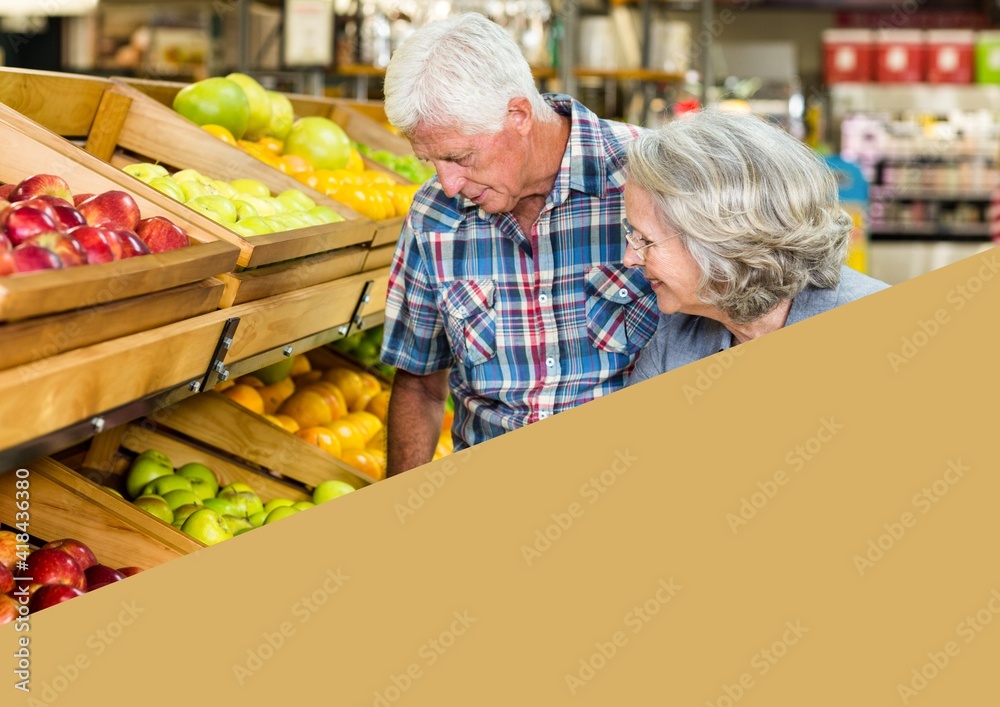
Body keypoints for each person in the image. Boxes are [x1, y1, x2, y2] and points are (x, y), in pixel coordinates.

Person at [379, 12, 659, 475]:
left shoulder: (649, 176)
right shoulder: (433, 216)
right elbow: (420, 384)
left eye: (459, 156)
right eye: (430, 161)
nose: (447, 184)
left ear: (519, 116)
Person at [623, 110, 889, 384]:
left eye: (647, 240)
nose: (629, 258)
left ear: (726, 243)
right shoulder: (678, 336)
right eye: (631, 234)